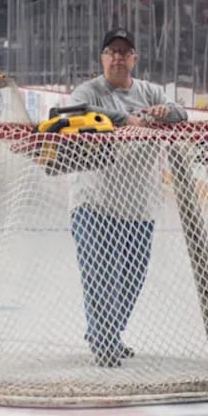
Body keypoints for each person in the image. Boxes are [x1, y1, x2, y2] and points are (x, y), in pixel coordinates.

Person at [67, 29, 187, 367]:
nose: (118, 57)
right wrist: (126, 119)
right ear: (102, 58)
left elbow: (181, 113)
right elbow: (72, 111)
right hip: (94, 203)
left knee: (131, 280)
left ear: (134, 59)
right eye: (111, 52)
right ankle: (104, 340)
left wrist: (165, 112)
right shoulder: (89, 91)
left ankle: (109, 333)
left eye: (124, 52)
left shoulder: (150, 91)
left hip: (140, 205)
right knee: (100, 276)